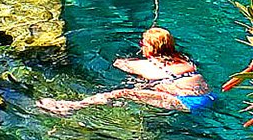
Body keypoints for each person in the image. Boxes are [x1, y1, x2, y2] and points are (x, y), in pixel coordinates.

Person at [36, 27, 213, 115]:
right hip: (209, 96)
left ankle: (72, 107)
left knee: (121, 93)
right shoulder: (185, 60)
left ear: (150, 47)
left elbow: (118, 63)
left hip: (187, 102)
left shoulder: (145, 65)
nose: (141, 46)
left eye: (143, 43)